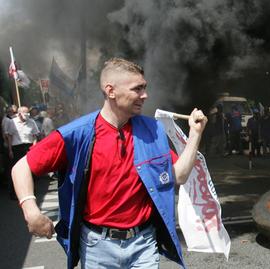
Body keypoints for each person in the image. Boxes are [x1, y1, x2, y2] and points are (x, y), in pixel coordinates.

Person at [11, 58, 207, 269]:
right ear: (111, 91)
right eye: (137, 89)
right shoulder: (77, 133)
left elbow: (179, 175)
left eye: (145, 88)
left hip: (144, 243)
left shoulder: (153, 130)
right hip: (97, 248)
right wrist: (31, 211)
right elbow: (21, 167)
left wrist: (195, 134)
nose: (145, 95)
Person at [6, 106, 40, 200]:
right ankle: (14, 193)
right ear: (19, 113)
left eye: (28, 113)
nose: (27, 115)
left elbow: (35, 136)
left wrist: (34, 148)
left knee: (30, 170)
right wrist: (10, 150)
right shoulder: (12, 122)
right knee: (15, 170)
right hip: (16, 147)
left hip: (28, 147)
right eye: (25, 113)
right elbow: (9, 137)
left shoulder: (31, 122)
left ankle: (31, 192)